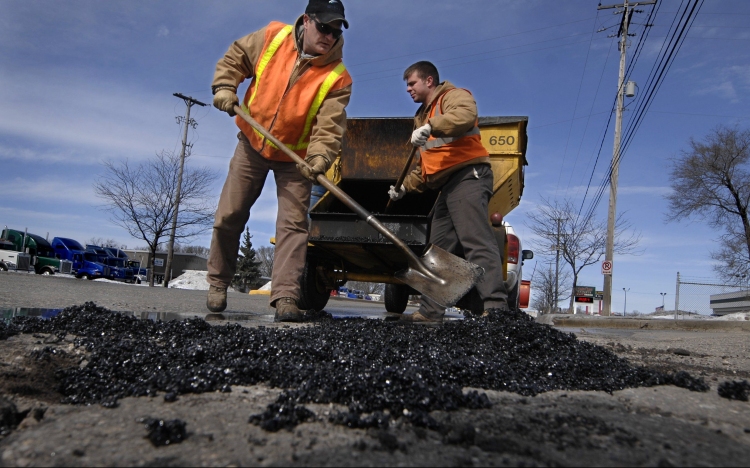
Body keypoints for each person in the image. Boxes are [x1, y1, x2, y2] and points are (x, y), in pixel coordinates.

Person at [207, 0, 352, 322]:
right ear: (307, 20)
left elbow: (329, 127)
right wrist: (225, 86)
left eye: (336, 30)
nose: (330, 36)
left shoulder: (338, 77)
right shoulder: (272, 37)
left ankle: (286, 296)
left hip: (296, 160)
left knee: (293, 227)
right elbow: (236, 57)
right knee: (229, 215)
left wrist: (318, 158)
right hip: (251, 145)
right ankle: (217, 283)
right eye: (324, 27)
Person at [389, 61, 509, 323]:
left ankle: (496, 307)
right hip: (447, 185)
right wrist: (403, 189)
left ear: (429, 81)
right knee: (439, 249)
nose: (408, 89)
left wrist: (432, 126)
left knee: (475, 240)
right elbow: (425, 167)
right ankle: (430, 313)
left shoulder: (453, 97)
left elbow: (464, 116)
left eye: (412, 83)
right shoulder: (422, 118)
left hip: (469, 177)